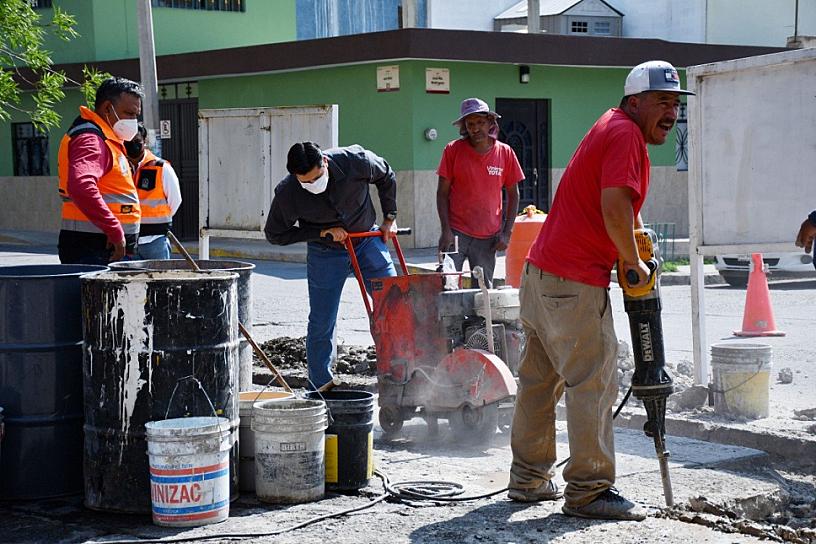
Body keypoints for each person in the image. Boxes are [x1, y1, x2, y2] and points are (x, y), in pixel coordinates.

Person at [507, 60, 693, 521]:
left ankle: (528, 479)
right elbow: (614, 207)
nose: (670, 111)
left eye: (675, 103)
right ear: (636, 102)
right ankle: (589, 490)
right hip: (572, 283)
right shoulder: (627, 135)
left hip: (541, 274)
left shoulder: (609, 124)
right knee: (592, 383)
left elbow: (615, 206)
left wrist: (635, 237)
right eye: (662, 102)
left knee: (538, 383)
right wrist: (633, 264)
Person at [264, 142, 398, 389]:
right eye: (305, 182)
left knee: (394, 305)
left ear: (324, 162)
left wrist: (390, 217)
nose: (312, 186)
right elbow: (275, 234)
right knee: (322, 320)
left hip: (366, 241)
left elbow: (386, 174)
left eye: (316, 178)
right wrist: (320, 232)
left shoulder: (355, 161)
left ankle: (399, 373)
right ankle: (320, 384)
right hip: (325, 253)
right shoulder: (288, 192)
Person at [436, 97, 523, 287]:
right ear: (464, 127)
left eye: (481, 122)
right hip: (456, 234)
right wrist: (446, 230)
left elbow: (514, 195)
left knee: (483, 295)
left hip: (489, 237)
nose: (476, 128)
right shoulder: (452, 150)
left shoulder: (505, 153)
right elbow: (441, 193)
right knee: (446, 286)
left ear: (491, 123)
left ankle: (479, 319)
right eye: (470, 124)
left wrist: (506, 233)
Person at [57, 77, 143, 265]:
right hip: (95, 247)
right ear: (107, 108)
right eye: (128, 114)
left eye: (136, 115)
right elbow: (81, 186)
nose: (133, 121)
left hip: (101, 246)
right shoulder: (91, 139)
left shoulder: (107, 139)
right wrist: (114, 229)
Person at [125, 123, 182, 260]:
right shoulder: (120, 168)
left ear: (144, 141)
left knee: (158, 280)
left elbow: (175, 200)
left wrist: (158, 220)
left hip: (154, 241)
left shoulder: (161, 168)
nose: (133, 144)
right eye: (128, 141)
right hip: (127, 242)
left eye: (137, 140)